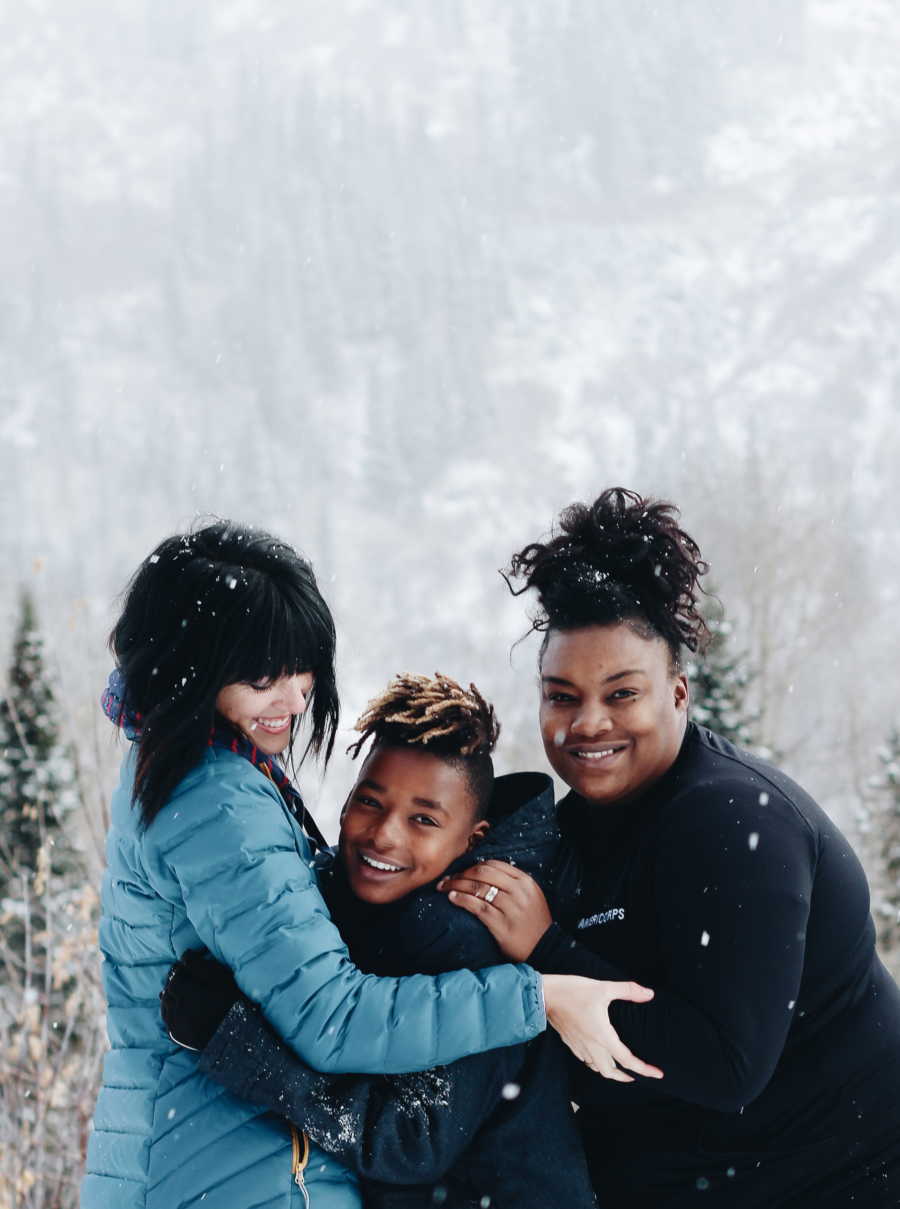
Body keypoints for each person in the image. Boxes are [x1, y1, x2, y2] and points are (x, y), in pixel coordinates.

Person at [80, 521, 651, 1209]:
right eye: (265, 675)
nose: (294, 698)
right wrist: (538, 994)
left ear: (474, 832)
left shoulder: (183, 767)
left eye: (302, 668)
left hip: (197, 1161)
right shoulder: (217, 793)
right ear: (193, 664)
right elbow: (334, 1013)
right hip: (229, 1172)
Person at [439, 487, 900, 1208]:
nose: (588, 722)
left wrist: (549, 955)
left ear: (679, 694)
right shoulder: (576, 829)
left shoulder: (733, 821)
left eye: (622, 694)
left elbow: (725, 1064)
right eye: (562, 695)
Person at [161, 671, 603, 1209]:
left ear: (472, 839)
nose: (386, 833)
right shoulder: (351, 901)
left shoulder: (466, 939)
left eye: (423, 819)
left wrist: (237, 1042)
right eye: (371, 802)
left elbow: (408, 1139)